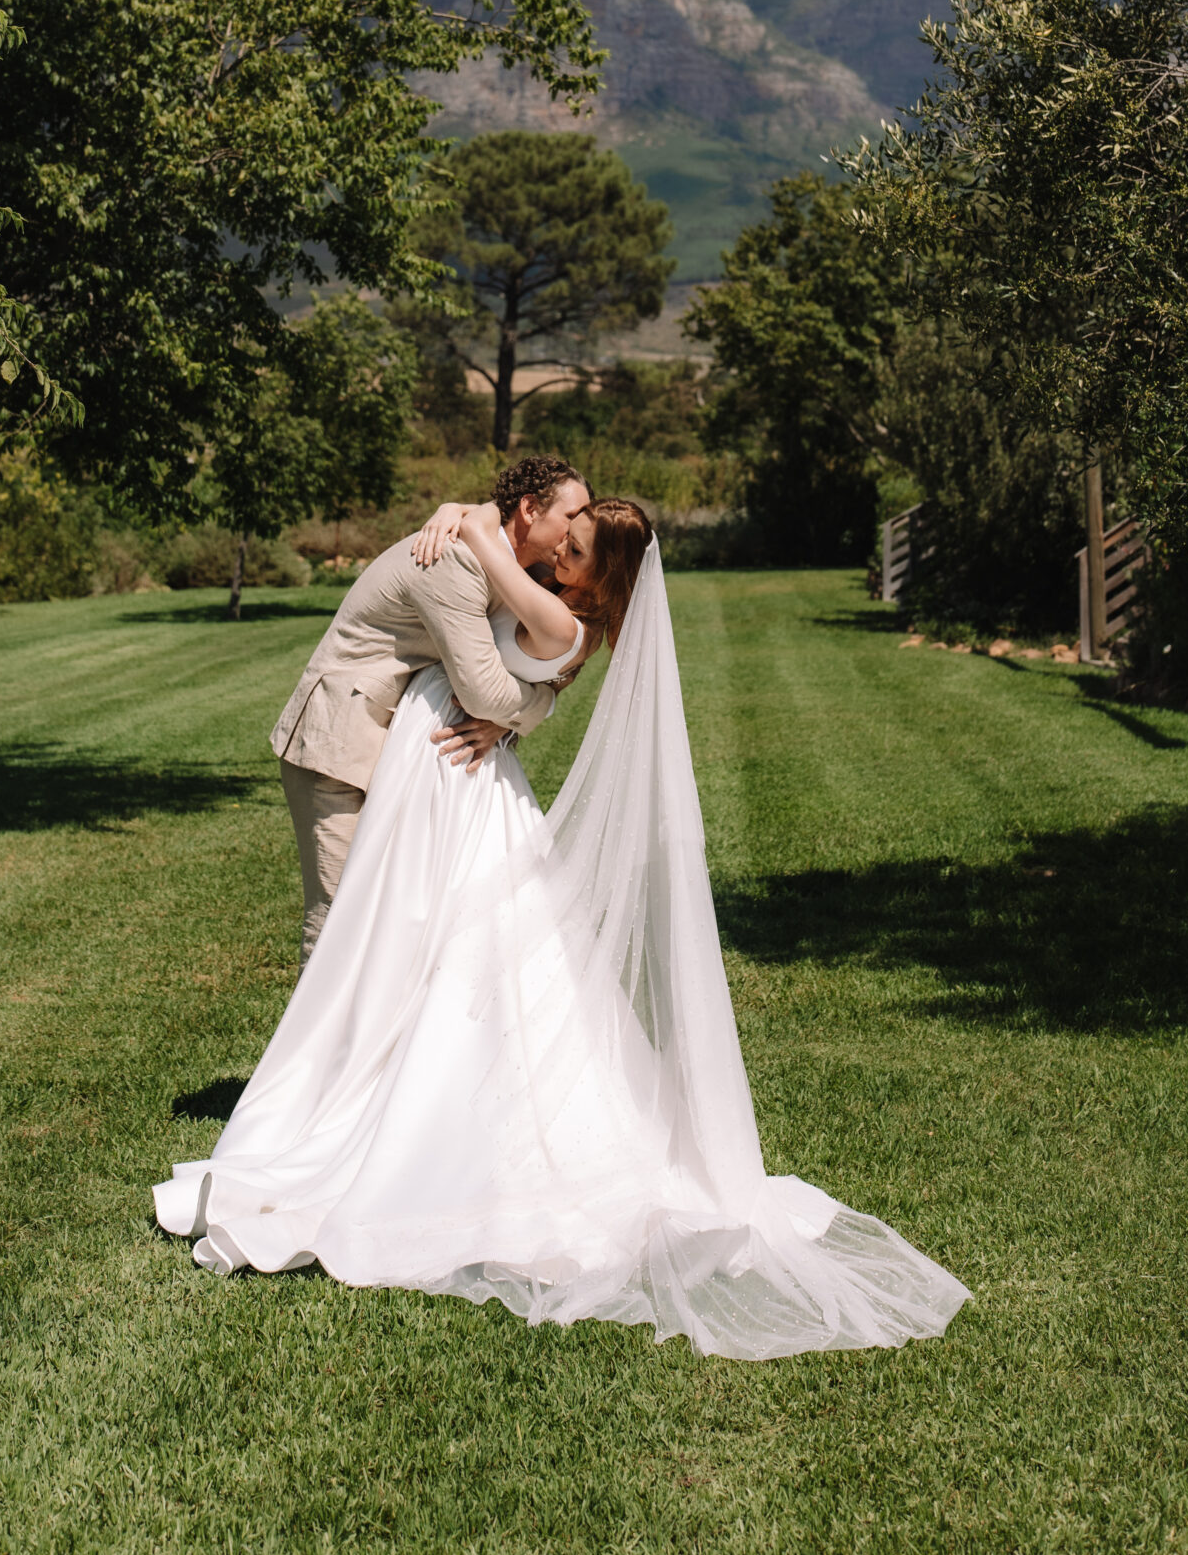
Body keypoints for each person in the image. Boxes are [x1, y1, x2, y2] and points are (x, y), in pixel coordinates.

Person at [156, 492, 970, 1361]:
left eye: (574, 549)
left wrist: (468, 525)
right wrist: (464, 521)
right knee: (403, 935)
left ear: (601, 574)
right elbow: (507, 635)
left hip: (455, 782)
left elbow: (491, 663)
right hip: (436, 776)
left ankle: (390, 1108)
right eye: (563, 536)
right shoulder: (556, 606)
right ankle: (365, 1077)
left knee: (448, 946)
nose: (557, 556)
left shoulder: (559, 618)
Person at [268, 455, 591, 955]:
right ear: (529, 508)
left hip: (402, 748)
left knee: (394, 922)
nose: (581, 529)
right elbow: (481, 689)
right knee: (341, 924)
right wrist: (539, 706)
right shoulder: (455, 557)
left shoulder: (509, 566)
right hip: (341, 743)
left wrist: (465, 507)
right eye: (574, 517)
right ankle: (318, 1034)